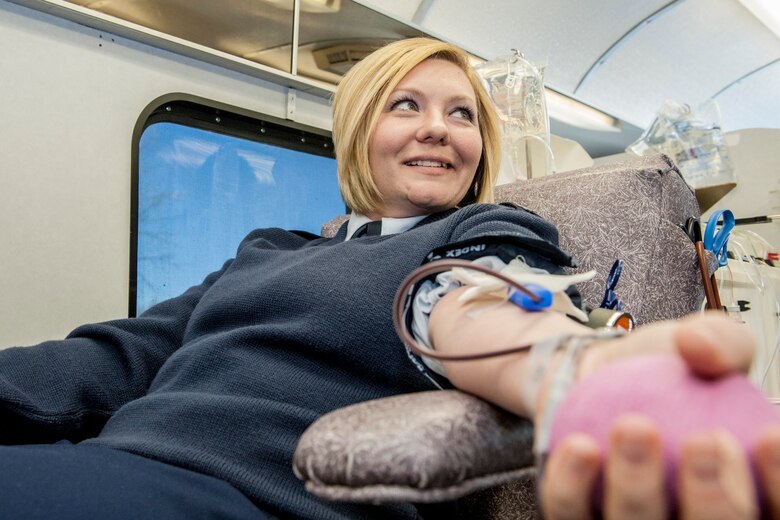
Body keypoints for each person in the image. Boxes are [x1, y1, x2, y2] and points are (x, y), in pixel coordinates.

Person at [0, 36, 777, 520]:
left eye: (463, 114)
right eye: (406, 105)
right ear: (359, 134)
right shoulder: (268, 249)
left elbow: (470, 298)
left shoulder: (478, 231)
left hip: (260, 495)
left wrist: (578, 372)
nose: (439, 126)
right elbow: (119, 358)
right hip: (117, 466)